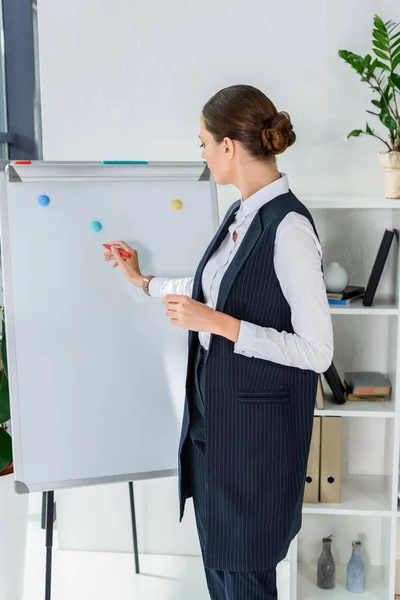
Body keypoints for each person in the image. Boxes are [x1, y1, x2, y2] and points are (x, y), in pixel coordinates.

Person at [104, 84, 334, 600]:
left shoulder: (289, 226)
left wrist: (222, 326)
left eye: (204, 142)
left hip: (254, 436)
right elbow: (215, 289)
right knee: (219, 566)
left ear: (229, 146)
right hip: (213, 419)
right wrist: (143, 281)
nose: (204, 154)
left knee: (245, 572)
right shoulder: (240, 213)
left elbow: (318, 351)